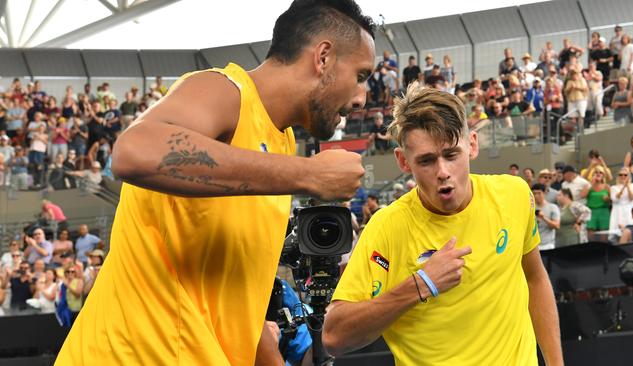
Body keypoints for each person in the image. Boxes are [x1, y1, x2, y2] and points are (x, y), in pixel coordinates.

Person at [56, 1, 374, 364]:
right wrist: (311, 174)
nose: (362, 97)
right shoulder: (225, 90)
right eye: (361, 75)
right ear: (323, 57)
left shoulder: (281, 143)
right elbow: (133, 151)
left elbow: (238, 306)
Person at [322, 83, 562, 365]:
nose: (443, 172)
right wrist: (421, 284)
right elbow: (334, 337)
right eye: (426, 161)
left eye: (451, 155)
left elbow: (534, 277)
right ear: (403, 161)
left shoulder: (515, 194)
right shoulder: (387, 227)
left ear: (472, 144)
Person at [581, 166, 611, 241]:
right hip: (591, 212)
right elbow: (582, 195)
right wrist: (591, 183)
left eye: (600, 172)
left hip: (604, 211)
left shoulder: (607, 187)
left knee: (603, 236)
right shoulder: (589, 186)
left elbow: (613, 200)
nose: (598, 174)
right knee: (591, 236)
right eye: (596, 172)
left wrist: (608, 199)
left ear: (603, 175)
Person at [609, 167, 633, 240]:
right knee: (617, 235)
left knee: (630, 232)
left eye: (625, 175)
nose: (623, 176)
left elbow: (632, 197)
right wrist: (623, 187)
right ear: (618, 176)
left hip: (629, 211)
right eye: (621, 175)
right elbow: (615, 199)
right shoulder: (613, 187)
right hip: (617, 212)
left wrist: (627, 186)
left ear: (629, 176)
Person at [532, 183, 560, 250]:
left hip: (548, 245)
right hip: (533, 246)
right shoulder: (530, 208)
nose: (536, 196)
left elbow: (557, 226)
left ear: (544, 193)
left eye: (539, 193)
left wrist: (543, 218)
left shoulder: (553, 207)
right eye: (534, 193)